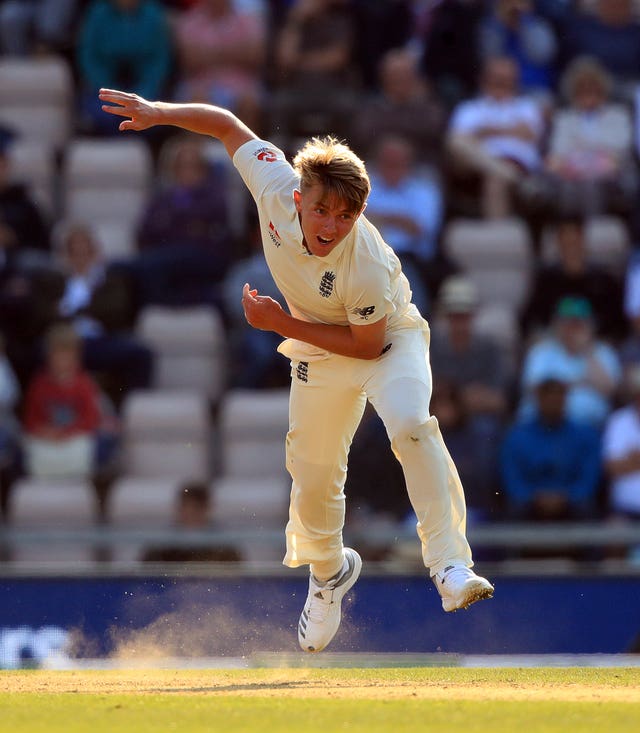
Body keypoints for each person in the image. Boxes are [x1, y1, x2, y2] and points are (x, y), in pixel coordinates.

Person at [99, 86, 494, 654]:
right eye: (322, 209)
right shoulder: (276, 185)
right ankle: (329, 571)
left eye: (346, 214)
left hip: (385, 339)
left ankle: (451, 565)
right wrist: (161, 114)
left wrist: (279, 323)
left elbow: (366, 346)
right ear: (300, 194)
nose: (331, 224)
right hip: (316, 341)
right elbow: (228, 125)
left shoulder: (367, 263)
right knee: (312, 471)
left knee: (411, 425)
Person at [446, 56, 544, 219]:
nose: (501, 82)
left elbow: (530, 134)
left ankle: (499, 240)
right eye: (497, 78)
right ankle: (518, 181)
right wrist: (511, 130)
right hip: (473, 167)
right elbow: (459, 140)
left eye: (506, 79)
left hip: (516, 162)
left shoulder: (527, 107)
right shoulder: (469, 108)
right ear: (485, 79)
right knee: (455, 142)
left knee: (495, 178)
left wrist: (485, 131)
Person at [501, 370, 601, 521]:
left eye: (558, 397)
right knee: (514, 508)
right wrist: (534, 497)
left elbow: (588, 478)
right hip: (530, 504)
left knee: (586, 507)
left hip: (572, 504)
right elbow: (512, 478)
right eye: (548, 398)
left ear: (565, 399)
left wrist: (566, 497)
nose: (553, 402)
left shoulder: (584, 434)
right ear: (538, 399)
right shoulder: (518, 435)